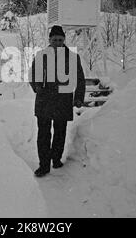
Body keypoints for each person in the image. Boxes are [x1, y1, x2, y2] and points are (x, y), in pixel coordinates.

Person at [29, 25, 85, 177]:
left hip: (63, 100)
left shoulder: (73, 57)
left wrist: (79, 97)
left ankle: (56, 158)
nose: (58, 42)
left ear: (64, 40)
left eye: (60, 40)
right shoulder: (41, 55)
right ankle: (44, 165)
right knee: (43, 135)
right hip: (44, 101)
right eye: (55, 40)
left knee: (60, 133)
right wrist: (37, 87)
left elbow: (80, 78)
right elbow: (33, 74)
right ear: (50, 40)